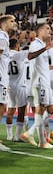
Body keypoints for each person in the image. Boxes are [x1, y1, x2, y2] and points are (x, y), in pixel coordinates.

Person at [21, 23, 53, 149]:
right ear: (40, 31)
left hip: (45, 82)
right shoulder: (36, 44)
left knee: (51, 110)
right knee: (40, 109)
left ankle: (31, 132)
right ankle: (41, 141)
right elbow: (30, 56)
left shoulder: (42, 45)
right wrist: (45, 49)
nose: (49, 30)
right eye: (47, 28)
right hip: (39, 82)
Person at [0, 15, 18, 151]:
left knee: (3, 108)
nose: (15, 23)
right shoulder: (2, 37)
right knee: (1, 108)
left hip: (3, 79)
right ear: (4, 24)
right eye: (12, 21)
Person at [6, 39, 29, 142]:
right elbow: (32, 52)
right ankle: (17, 136)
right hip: (20, 86)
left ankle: (9, 135)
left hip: (9, 86)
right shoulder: (20, 55)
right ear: (16, 45)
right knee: (21, 111)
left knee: (10, 111)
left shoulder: (5, 56)